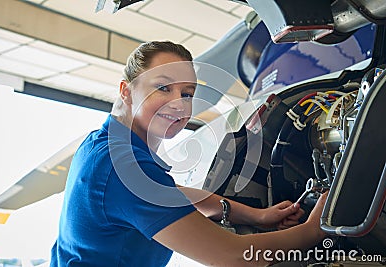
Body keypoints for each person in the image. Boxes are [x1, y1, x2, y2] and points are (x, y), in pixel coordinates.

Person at [50, 41, 328, 267]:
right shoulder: (125, 166)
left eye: (187, 93)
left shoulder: (103, 144)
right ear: (126, 91)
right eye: (163, 88)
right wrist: (312, 231)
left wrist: (256, 216)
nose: (179, 104)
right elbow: (232, 257)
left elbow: (175, 193)